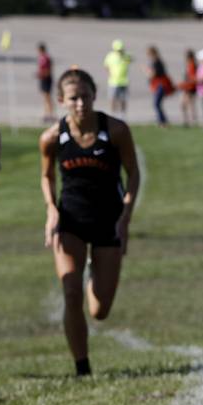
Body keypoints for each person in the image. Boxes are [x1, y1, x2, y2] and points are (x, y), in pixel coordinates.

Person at [39, 68, 140, 377]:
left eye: (85, 97)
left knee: (99, 310)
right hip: (70, 221)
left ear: (95, 96)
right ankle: (82, 367)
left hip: (109, 221)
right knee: (71, 290)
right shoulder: (53, 136)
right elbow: (46, 175)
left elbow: (133, 174)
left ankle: (97, 271)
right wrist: (51, 209)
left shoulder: (116, 130)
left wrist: (126, 216)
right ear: (61, 100)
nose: (80, 104)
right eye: (73, 98)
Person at [145, 46, 173, 127]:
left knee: (156, 103)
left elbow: (153, 74)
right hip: (158, 85)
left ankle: (163, 121)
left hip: (160, 85)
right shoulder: (156, 61)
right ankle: (161, 120)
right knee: (157, 103)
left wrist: (147, 71)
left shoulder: (156, 62)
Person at [103, 39, 132, 117]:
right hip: (113, 81)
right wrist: (110, 73)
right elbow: (106, 65)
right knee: (113, 99)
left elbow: (131, 59)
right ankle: (113, 114)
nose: (119, 51)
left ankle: (122, 115)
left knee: (123, 99)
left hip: (124, 81)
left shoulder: (125, 56)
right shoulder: (110, 56)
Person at [178, 49, 198, 127]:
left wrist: (183, 85)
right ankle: (189, 120)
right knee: (188, 104)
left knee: (186, 104)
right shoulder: (191, 65)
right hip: (188, 87)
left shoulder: (192, 65)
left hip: (190, 87)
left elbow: (192, 78)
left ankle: (189, 121)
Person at [37, 42, 54, 122]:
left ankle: (50, 114)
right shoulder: (41, 58)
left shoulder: (45, 58)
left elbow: (47, 70)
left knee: (47, 98)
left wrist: (41, 74)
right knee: (45, 98)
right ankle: (46, 114)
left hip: (46, 79)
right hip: (43, 79)